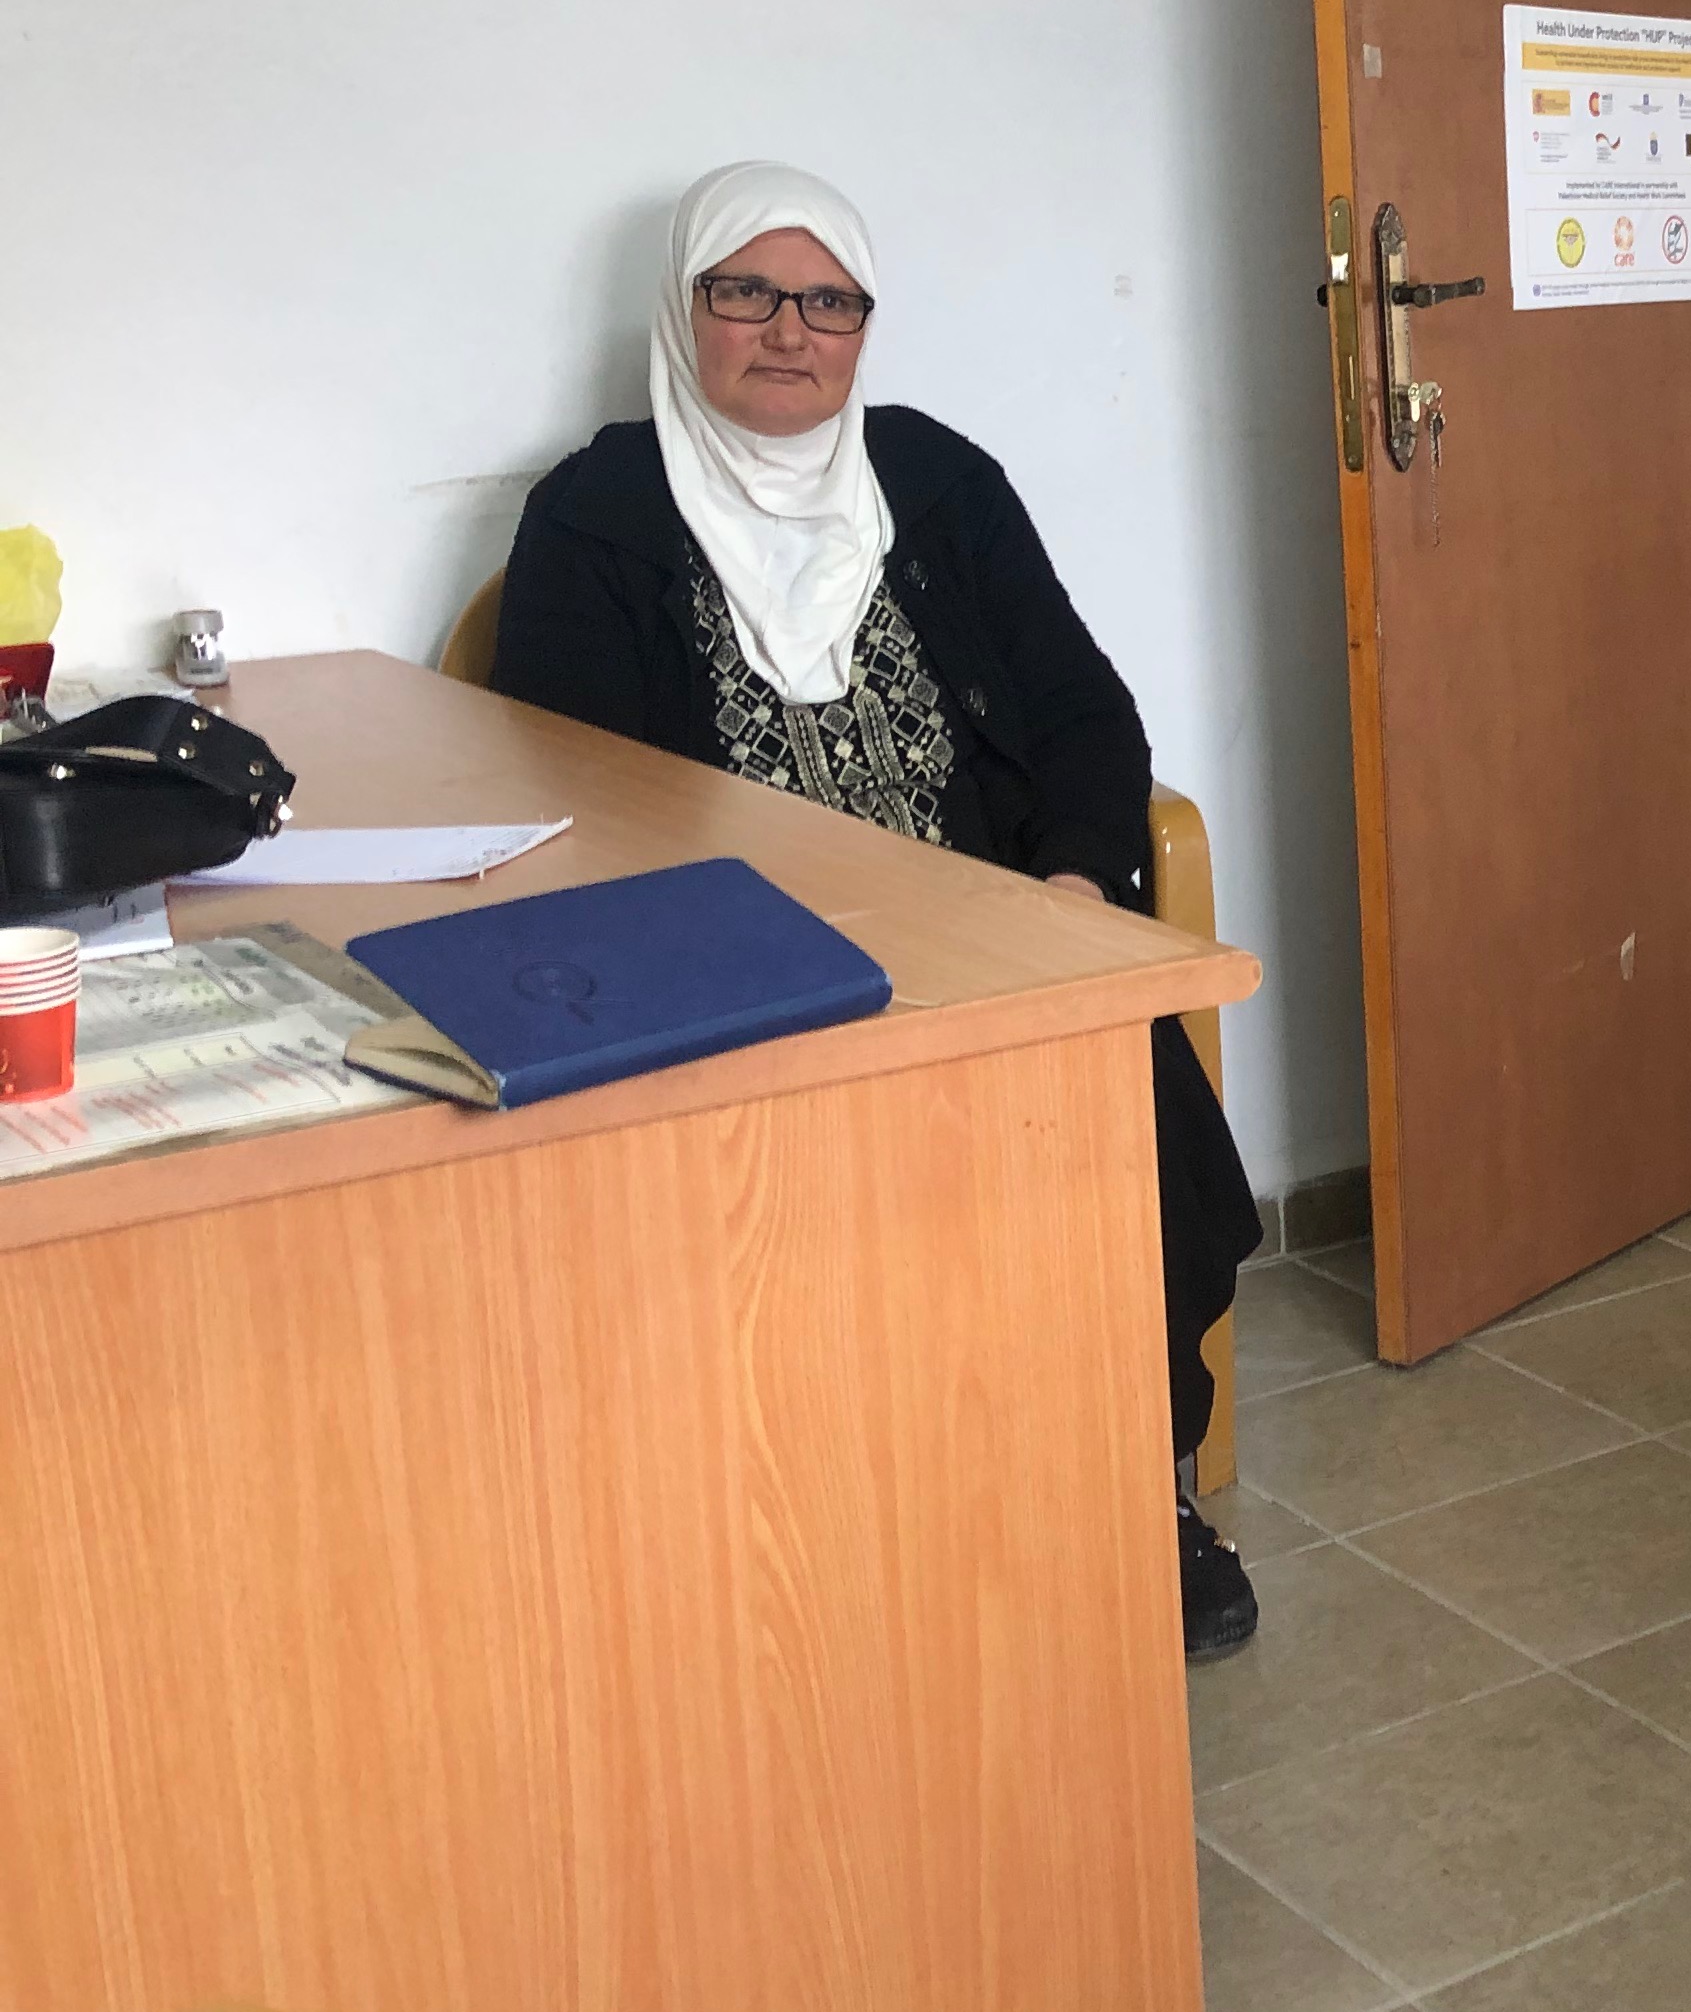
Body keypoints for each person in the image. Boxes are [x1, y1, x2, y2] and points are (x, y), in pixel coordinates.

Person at [492, 164, 1264, 1660]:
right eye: (747, 293)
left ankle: (1133, 1490)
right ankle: (849, 1513)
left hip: (996, 948)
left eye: (828, 301)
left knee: (1128, 1133)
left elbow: (1086, 715)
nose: (790, 332)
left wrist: (1068, 891)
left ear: (863, 327)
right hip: (744, 981)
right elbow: (576, 794)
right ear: (684, 308)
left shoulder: (939, 481)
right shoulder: (595, 513)